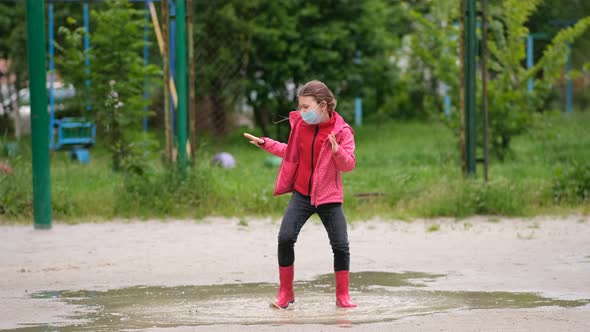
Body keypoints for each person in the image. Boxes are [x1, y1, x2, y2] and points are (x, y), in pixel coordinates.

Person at [244, 80, 357, 309]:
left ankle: (342, 296)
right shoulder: (301, 127)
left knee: (341, 246)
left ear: (322, 105)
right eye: (300, 106)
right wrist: (265, 143)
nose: (301, 112)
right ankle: (286, 293)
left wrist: (337, 151)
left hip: (329, 198)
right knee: (285, 238)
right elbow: (290, 152)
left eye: (306, 107)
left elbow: (349, 164)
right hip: (302, 195)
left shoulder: (342, 132)